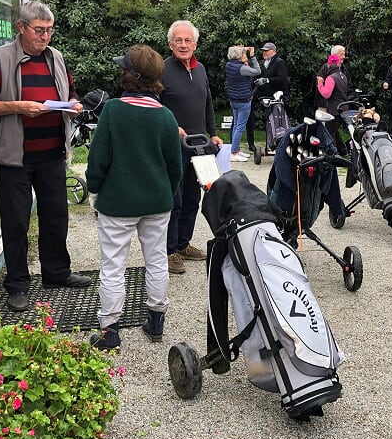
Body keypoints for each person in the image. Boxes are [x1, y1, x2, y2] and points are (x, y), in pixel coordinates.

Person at [0, 0, 92, 312]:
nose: (45, 36)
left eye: (49, 30)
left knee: (56, 217)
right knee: (16, 223)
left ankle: (56, 273)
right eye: (39, 30)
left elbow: (71, 93)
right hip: (15, 157)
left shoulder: (57, 58)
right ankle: (17, 285)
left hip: (52, 153)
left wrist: (74, 105)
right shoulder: (0, 58)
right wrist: (17, 107)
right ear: (21, 27)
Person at [86, 45, 182, 350]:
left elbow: (98, 159)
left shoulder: (113, 110)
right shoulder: (166, 116)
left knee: (113, 265)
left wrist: (94, 190)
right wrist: (165, 193)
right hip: (157, 201)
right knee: (157, 260)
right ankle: (156, 320)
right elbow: (175, 167)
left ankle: (110, 329)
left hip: (118, 203)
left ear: (130, 75)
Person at [160, 20, 223, 275]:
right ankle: (169, 250)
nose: (183, 45)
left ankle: (183, 243)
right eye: (178, 40)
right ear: (170, 44)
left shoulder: (201, 70)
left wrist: (214, 133)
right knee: (174, 199)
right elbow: (155, 104)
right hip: (173, 146)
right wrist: (170, 125)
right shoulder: (162, 70)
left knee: (193, 198)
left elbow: (207, 104)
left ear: (195, 44)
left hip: (199, 146)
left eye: (188, 40)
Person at [245, 41, 289, 152]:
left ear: (273, 51)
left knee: (279, 120)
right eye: (263, 51)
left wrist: (267, 80)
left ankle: (280, 143)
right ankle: (272, 143)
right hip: (267, 97)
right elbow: (259, 80)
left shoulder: (279, 62)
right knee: (270, 121)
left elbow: (282, 79)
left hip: (279, 97)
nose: (264, 53)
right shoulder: (266, 63)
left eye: (266, 51)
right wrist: (253, 94)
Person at [225, 45, 261, 162]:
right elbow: (258, 71)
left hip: (233, 100)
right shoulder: (242, 68)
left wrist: (242, 51)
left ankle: (235, 149)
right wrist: (253, 57)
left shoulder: (229, 65)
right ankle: (234, 153)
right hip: (243, 100)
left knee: (236, 125)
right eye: (243, 53)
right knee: (240, 127)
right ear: (239, 55)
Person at [316, 53, 350, 156]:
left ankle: (333, 155)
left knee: (330, 133)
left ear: (329, 65)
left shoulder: (331, 78)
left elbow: (326, 94)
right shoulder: (343, 76)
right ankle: (343, 151)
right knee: (335, 131)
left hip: (334, 109)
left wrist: (320, 84)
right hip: (343, 107)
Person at [315, 45, 348, 112]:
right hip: (326, 106)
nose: (344, 57)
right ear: (334, 55)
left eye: (344, 55)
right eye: (341, 55)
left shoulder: (344, 68)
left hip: (341, 106)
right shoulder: (325, 68)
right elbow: (319, 84)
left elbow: (348, 86)